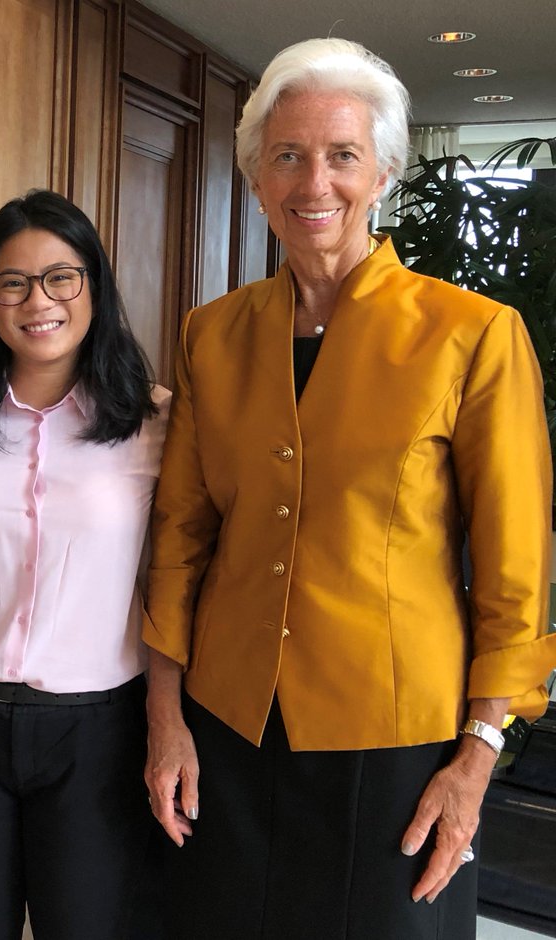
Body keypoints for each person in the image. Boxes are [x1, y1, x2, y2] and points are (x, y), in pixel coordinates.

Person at [144, 38, 556, 939]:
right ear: (256, 177)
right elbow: (179, 537)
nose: (312, 183)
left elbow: (514, 570)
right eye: (286, 156)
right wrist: (166, 718)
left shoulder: (472, 335)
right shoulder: (213, 336)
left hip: (397, 739)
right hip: (228, 729)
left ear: (384, 174)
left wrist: (479, 754)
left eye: (341, 156)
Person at [0, 189, 170, 940]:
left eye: (61, 277)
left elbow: (178, 576)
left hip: (96, 728)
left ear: (95, 288)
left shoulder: (156, 420)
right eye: (12, 282)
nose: (37, 300)